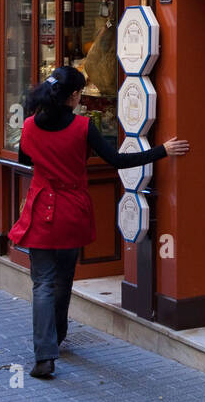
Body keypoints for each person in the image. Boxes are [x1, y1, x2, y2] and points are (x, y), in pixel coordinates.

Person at [10, 66, 188, 379]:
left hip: (40, 211)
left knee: (42, 284)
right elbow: (118, 161)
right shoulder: (82, 127)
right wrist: (163, 150)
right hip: (71, 212)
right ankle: (58, 336)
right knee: (63, 280)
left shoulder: (28, 126)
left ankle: (44, 354)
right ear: (74, 96)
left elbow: (26, 161)